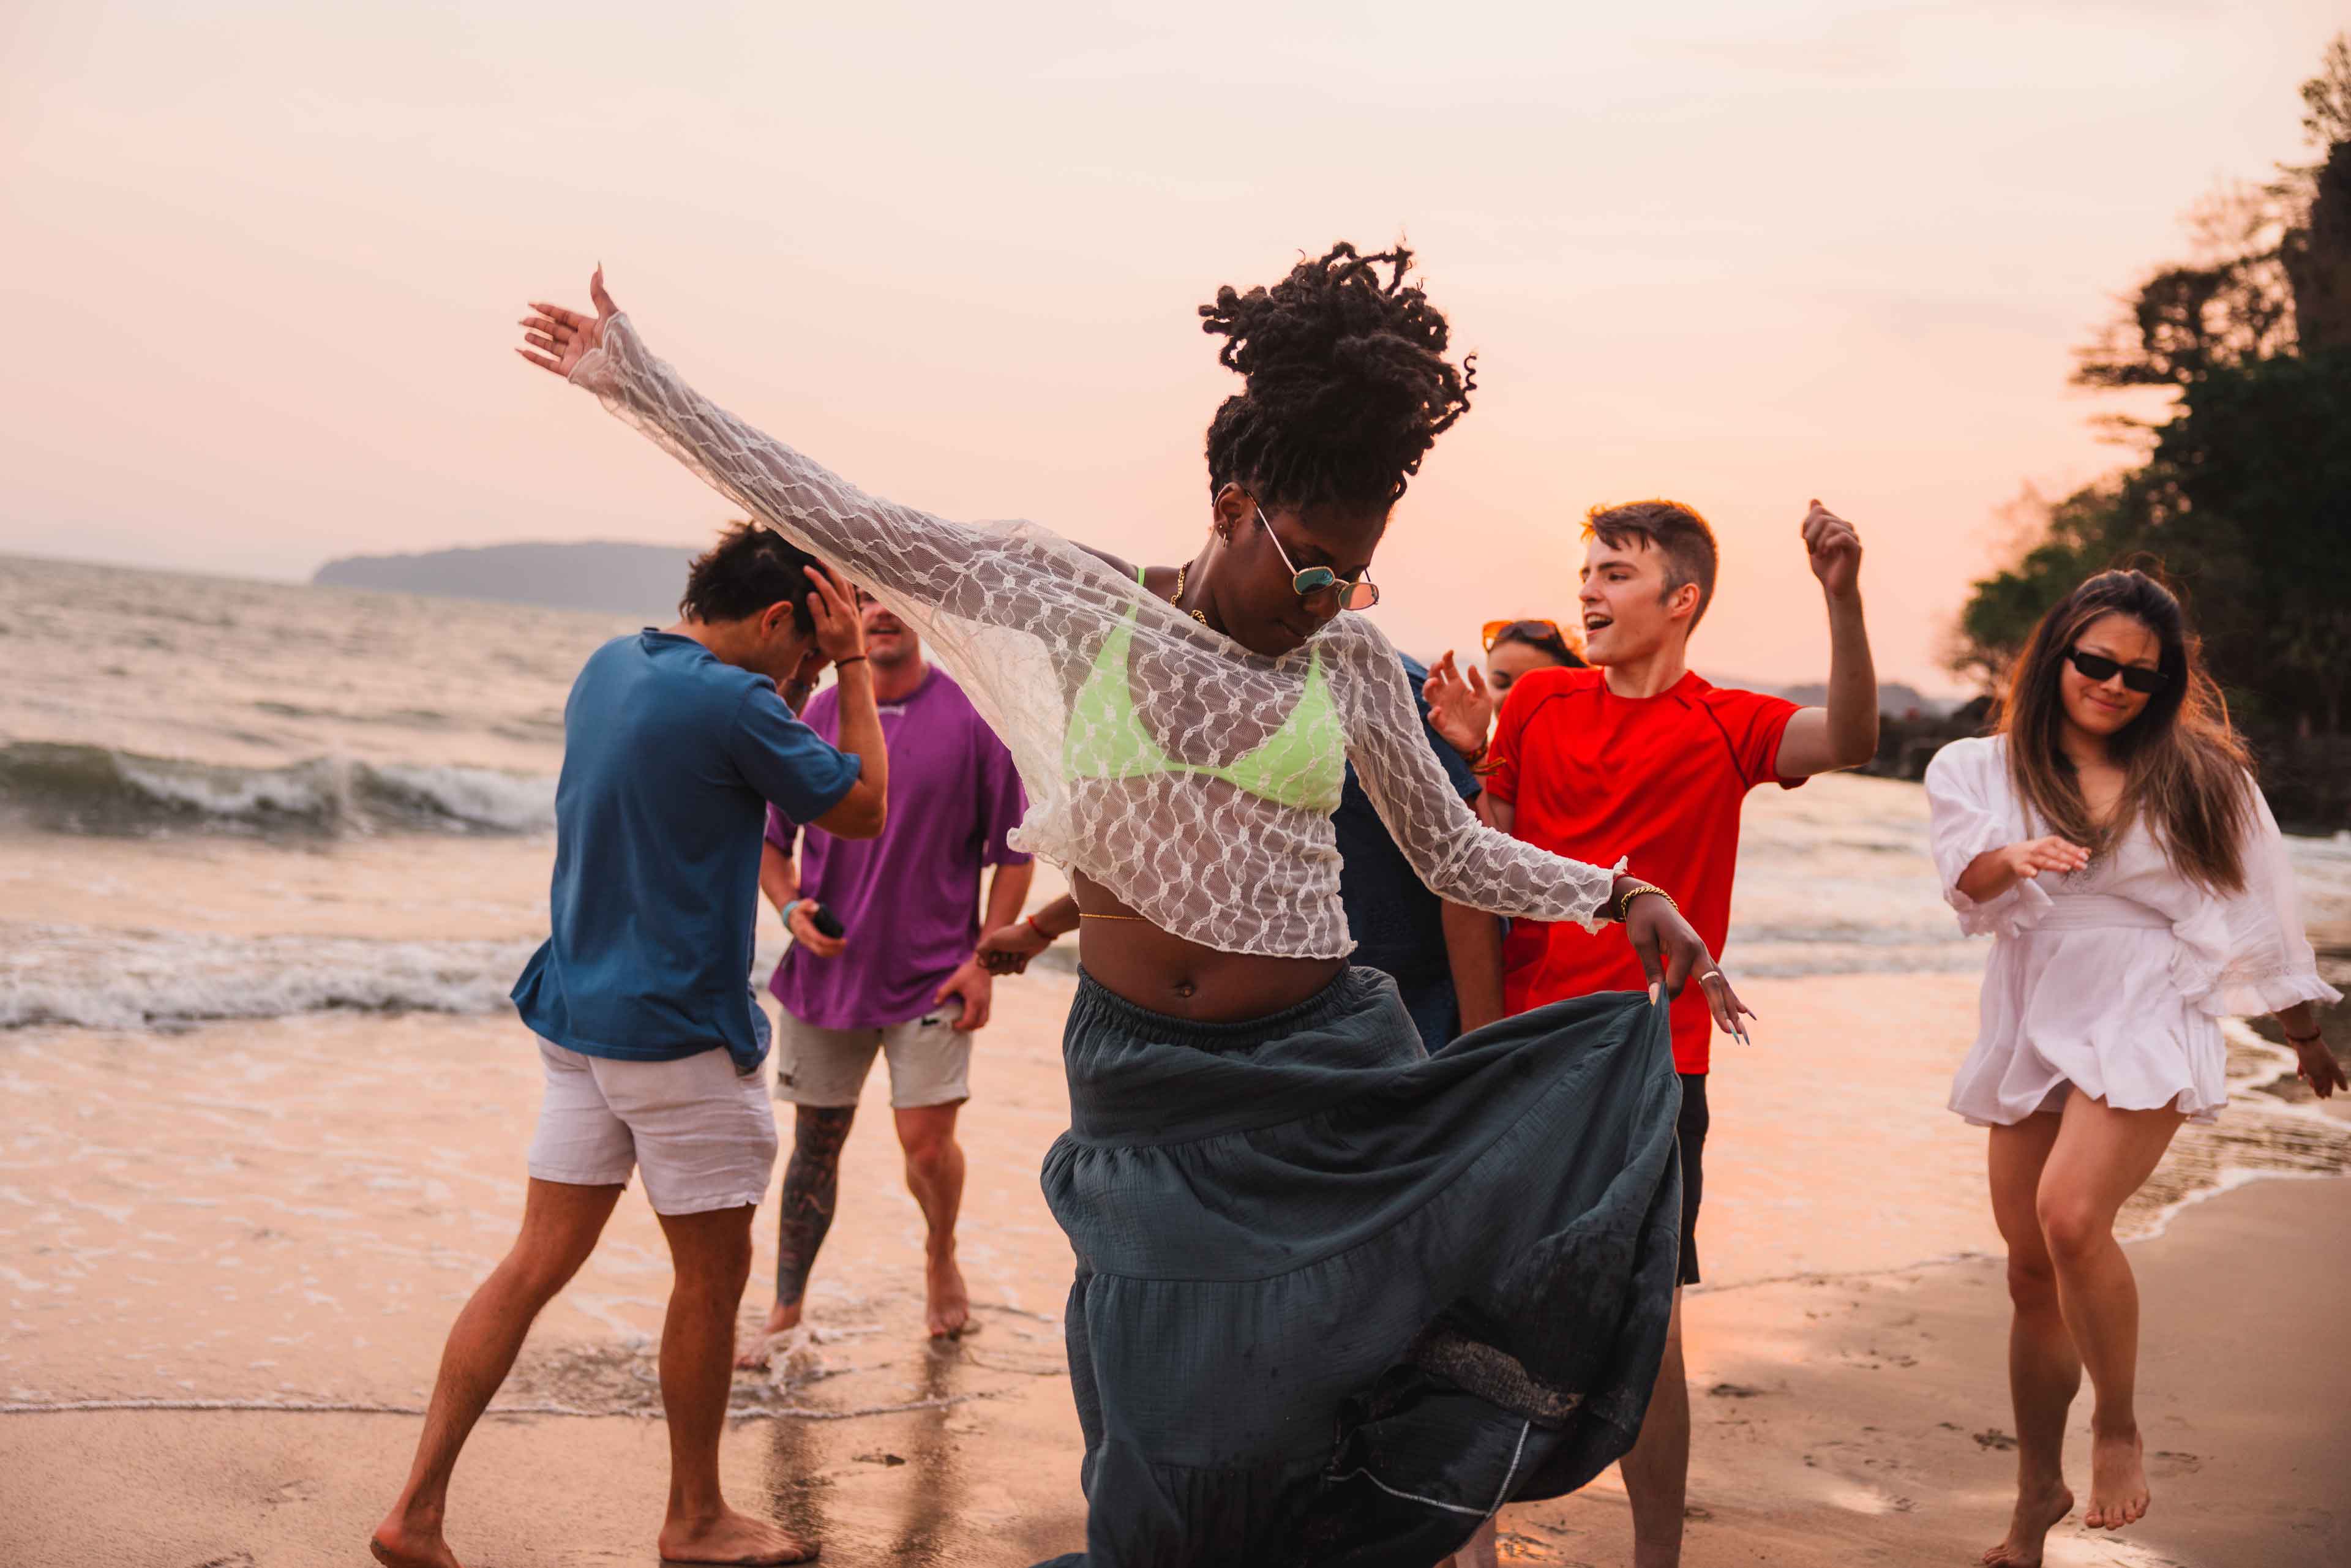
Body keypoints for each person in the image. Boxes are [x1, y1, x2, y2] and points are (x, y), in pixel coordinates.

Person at [517, 245, 1751, 1567]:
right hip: (1149, 1090)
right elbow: (840, 513)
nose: (1335, 601)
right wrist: (633, 379)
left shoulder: (1340, 657)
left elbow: (1449, 849)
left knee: (1350, 1395)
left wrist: (1618, 889)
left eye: (1358, 578)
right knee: (1169, 1446)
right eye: (1316, 566)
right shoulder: (1070, 601)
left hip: (1328, 1067)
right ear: (1234, 506)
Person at [370, 528, 888, 1568]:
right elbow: (864, 806)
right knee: (708, 1279)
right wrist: (856, 668)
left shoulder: (610, 665)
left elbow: (733, 748)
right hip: (678, 1039)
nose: (802, 681)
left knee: (531, 1265)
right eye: (800, 658)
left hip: (579, 1020)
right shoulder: (741, 705)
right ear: (780, 620)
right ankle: (695, 1516)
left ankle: (415, 1511)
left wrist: (802, 672)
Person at [1423, 496, 1879, 1568]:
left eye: (1616, 574)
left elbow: (1853, 738)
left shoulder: (1730, 723)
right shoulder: (1535, 703)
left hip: (1654, 1071)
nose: (1589, 590)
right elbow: (1475, 878)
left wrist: (1841, 597)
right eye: (1586, 572)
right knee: (1480, 1306)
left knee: (1648, 1326)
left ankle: (1657, 1558)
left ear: (1683, 601)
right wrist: (1485, 1047)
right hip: (1526, 1057)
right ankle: (1474, 1544)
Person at [1924, 569, 2342, 1564]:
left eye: (2140, 676)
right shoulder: (1977, 768)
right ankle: (2036, 1492)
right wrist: (2012, 859)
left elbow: (2258, 908)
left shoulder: (2203, 775)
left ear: (2166, 684)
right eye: (2096, 662)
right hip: (2035, 995)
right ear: (2058, 653)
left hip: (2151, 995)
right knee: (2030, 1271)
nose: (2113, 685)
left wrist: (2305, 1032)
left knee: (2073, 1218)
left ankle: (2117, 1425)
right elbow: (1963, 884)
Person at [743, 588, 1033, 1353]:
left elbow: (1013, 851)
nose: (878, 610)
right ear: (843, 617)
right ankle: (785, 1309)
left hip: (934, 972)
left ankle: (940, 1254)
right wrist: (788, 909)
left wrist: (984, 964)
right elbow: (772, 841)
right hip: (826, 973)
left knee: (927, 1147)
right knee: (815, 1145)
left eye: (892, 595)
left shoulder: (974, 719)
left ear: (921, 612)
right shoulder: (817, 716)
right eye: (861, 598)